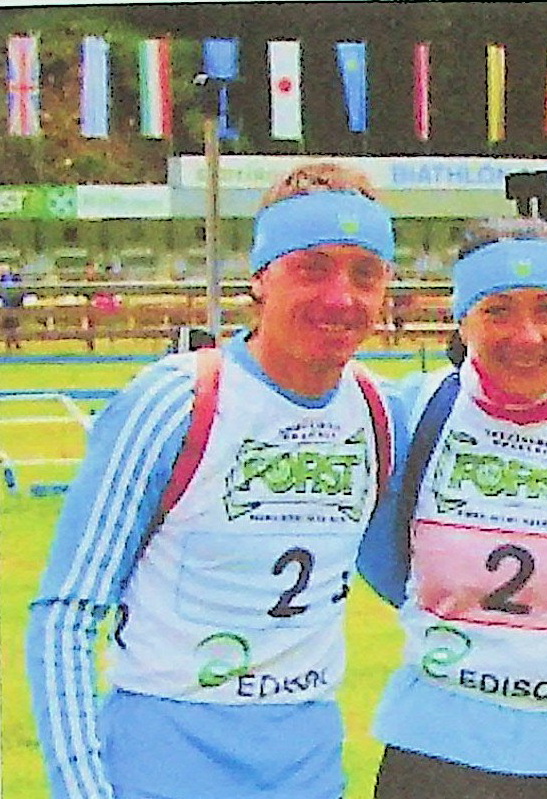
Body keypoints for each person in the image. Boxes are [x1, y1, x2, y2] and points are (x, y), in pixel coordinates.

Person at [26, 161, 397, 799]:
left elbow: (412, 572)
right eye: (312, 269)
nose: (341, 298)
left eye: (365, 274)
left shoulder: (379, 411)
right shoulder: (177, 400)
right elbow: (67, 613)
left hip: (307, 768)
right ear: (261, 277)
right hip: (161, 763)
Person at [356, 217, 547, 799]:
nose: (526, 336)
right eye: (497, 311)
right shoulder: (416, 411)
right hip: (433, 746)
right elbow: (382, 555)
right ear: (462, 319)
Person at [0, 260, 22, 351]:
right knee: (7, 325)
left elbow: (17, 292)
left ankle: (16, 343)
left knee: (13, 324)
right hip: (5, 306)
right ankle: (9, 343)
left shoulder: (12, 281)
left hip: (11, 305)